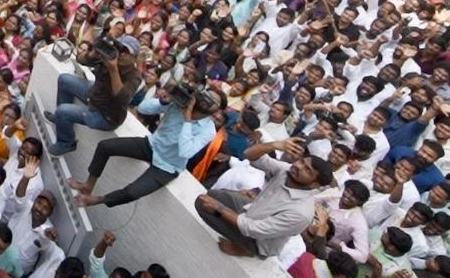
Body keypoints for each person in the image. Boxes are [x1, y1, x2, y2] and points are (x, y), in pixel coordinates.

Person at [73, 85, 223, 209]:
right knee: (105, 146)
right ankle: (88, 185)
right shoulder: (179, 104)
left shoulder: (209, 130)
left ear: (216, 109)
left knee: (132, 192)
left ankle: (97, 200)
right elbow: (142, 109)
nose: (207, 100)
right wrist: (162, 102)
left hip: (168, 166)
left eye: (213, 101)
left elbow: (185, 152)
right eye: (207, 95)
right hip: (151, 145)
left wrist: (188, 119)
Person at [194, 139, 334, 258]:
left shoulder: (301, 213)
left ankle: (247, 249)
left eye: (307, 170)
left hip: (258, 241)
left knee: (202, 204)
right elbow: (250, 155)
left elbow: (252, 229)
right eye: (302, 161)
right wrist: (274, 145)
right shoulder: (288, 170)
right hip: (252, 210)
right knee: (214, 195)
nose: (298, 166)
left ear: (315, 184)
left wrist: (219, 208)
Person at [49, 35, 143, 155]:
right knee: (64, 79)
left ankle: (66, 143)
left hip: (105, 115)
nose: (122, 53)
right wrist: (93, 53)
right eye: (120, 48)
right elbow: (80, 60)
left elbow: (121, 99)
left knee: (63, 111)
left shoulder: (134, 76)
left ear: (134, 58)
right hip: (94, 94)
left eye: (126, 51)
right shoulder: (107, 57)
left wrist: (113, 69)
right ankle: (60, 121)